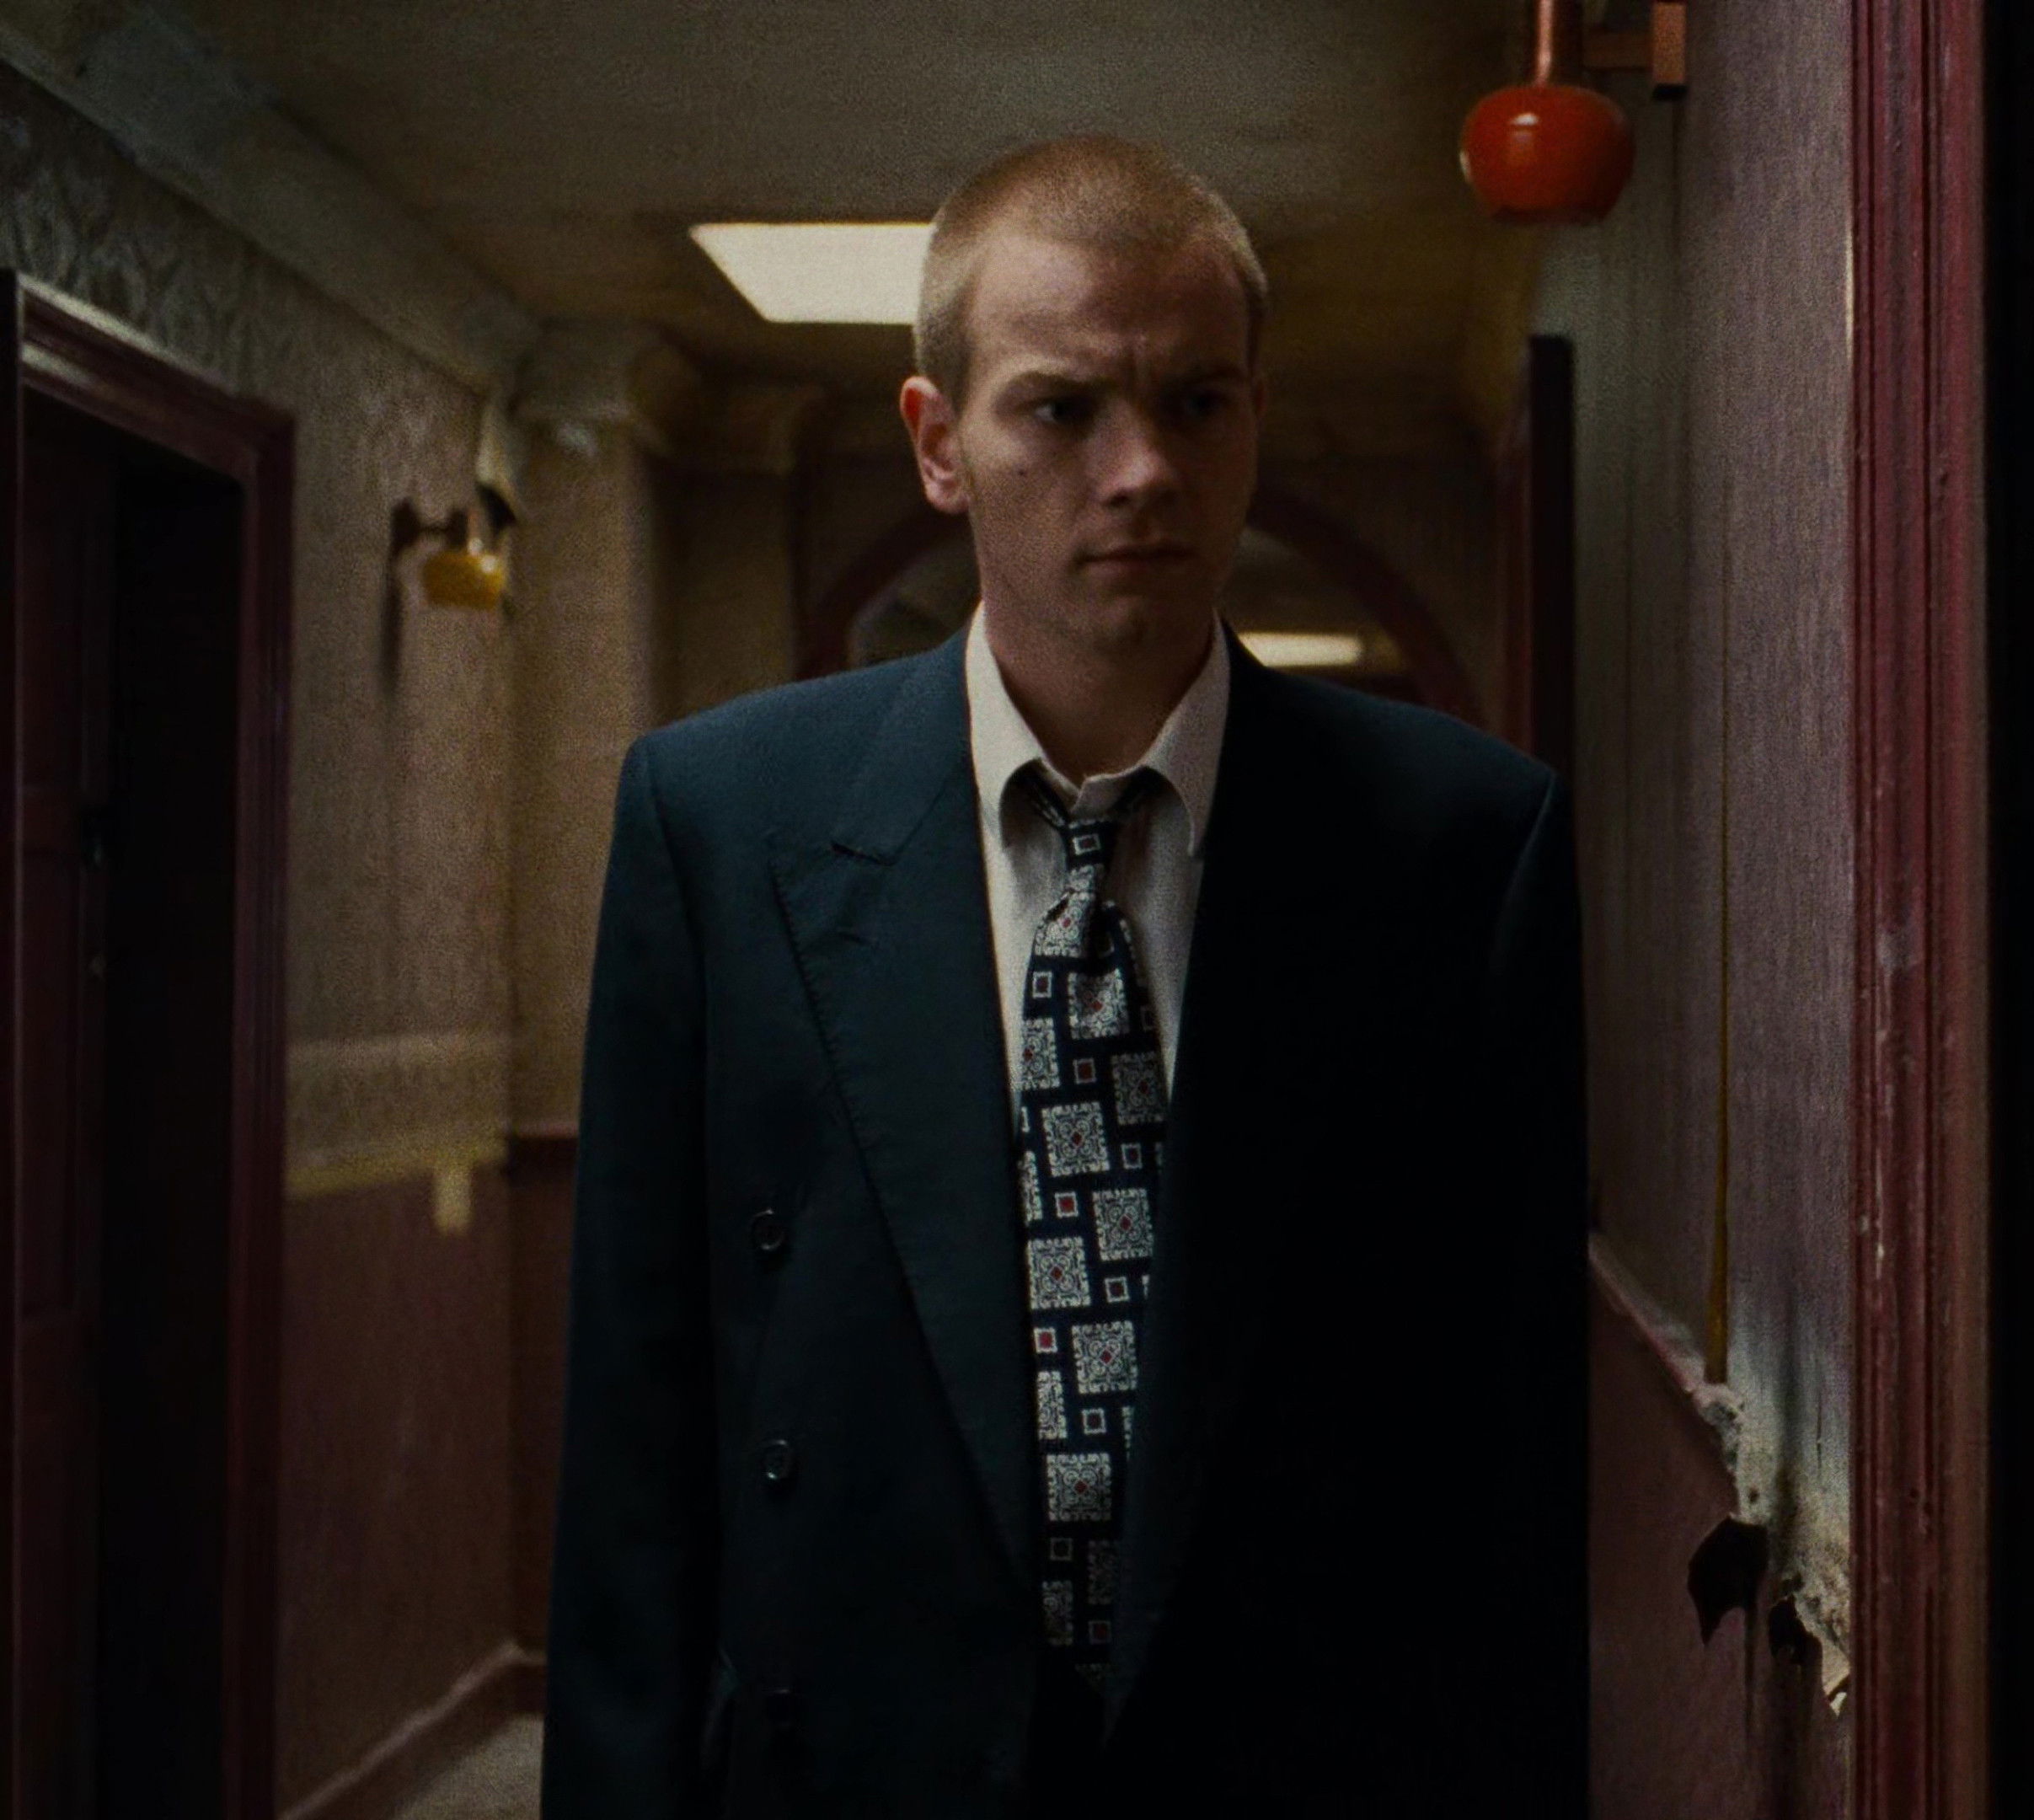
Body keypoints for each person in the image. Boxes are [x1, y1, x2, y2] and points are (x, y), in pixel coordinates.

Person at [541, 134, 1585, 1816]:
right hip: (862, 1758)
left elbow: (1515, 1459)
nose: (1143, 469)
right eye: (1062, 408)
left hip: (1303, 1760)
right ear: (937, 442)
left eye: (1197, 403)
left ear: (1256, 418)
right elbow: (634, 1440)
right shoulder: (724, 821)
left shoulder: (1462, 841)